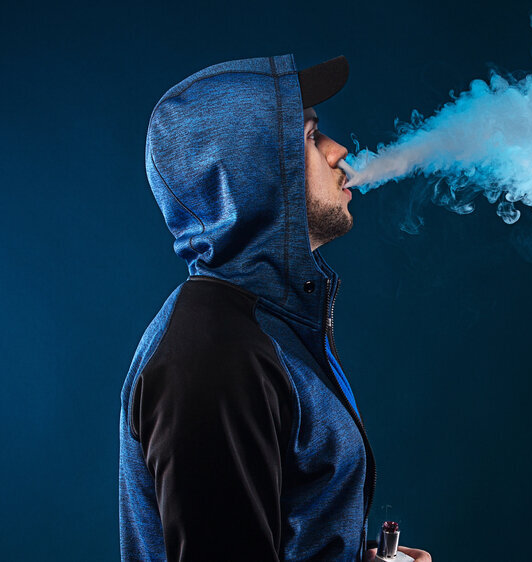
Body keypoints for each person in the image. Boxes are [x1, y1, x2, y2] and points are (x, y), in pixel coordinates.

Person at [118, 54, 430, 562]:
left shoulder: (264, 327)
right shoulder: (217, 361)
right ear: (255, 171)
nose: (339, 151)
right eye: (309, 136)